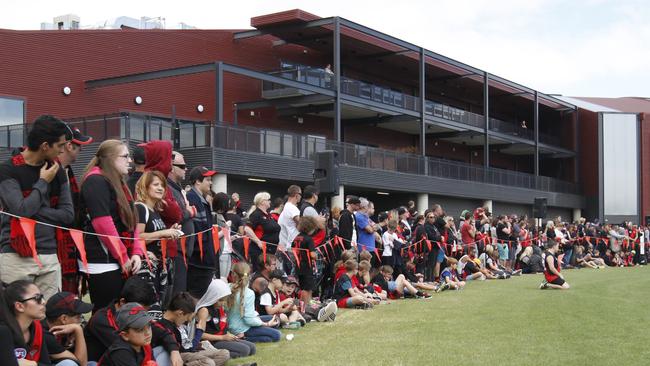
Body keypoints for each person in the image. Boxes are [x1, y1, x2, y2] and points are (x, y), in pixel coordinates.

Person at [0, 116, 74, 300]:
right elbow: (21, 210)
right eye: (60, 145)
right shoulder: (8, 169)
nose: (64, 149)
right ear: (45, 146)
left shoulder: (57, 169)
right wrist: (42, 182)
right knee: (14, 319)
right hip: (16, 255)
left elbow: (67, 215)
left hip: (49, 255)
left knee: (49, 319)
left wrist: (28, 210)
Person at [80, 140, 144, 312]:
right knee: (106, 314)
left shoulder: (119, 183)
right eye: (125, 156)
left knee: (121, 315)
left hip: (120, 259)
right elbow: (102, 224)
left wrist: (136, 252)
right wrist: (123, 256)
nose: (129, 160)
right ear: (109, 159)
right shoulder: (95, 180)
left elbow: (132, 221)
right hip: (103, 260)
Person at [84, 276, 181, 365]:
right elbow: (126, 347)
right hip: (100, 362)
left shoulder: (138, 319)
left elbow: (162, 332)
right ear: (123, 302)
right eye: (140, 308)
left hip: (133, 355)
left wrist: (174, 350)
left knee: (165, 351)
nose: (143, 312)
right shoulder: (100, 320)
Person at [134, 171, 183, 311]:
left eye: (162, 185)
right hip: (147, 271)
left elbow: (154, 235)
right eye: (156, 184)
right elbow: (137, 238)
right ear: (145, 187)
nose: (161, 188)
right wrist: (163, 232)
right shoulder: (140, 208)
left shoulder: (154, 210)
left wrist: (169, 232)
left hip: (159, 269)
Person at [56, 124, 93, 295]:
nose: (81, 151)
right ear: (69, 146)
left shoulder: (67, 172)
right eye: (79, 147)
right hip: (53, 246)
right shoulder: (50, 170)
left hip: (70, 244)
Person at [156, 292, 230, 366]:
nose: (188, 320)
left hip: (190, 352)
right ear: (180, 313)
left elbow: (191, 347)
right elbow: (188, 349)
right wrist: (199, 332)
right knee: (208, 363)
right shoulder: (163, 326)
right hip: (181, 354)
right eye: (187, 317)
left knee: (224, 353)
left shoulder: (178, 321)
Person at [197, 279, 257, 359]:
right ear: (213, 297)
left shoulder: (219, 308)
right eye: (220, 300)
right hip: (213, 341)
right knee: (245, 350)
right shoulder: (204, 310)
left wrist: (230, 335)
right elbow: (200, 335)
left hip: (223, 337)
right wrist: (222, 337)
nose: (223, 303)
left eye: (224, 300)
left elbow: (223, 325)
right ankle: (213, 355)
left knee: (252, 348)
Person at [226, 262, 281, 343]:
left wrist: (258, 319)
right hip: (242, 328)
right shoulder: (249, 293)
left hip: (231, 324)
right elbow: (249, 319)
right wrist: (266, 324)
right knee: (276, 335)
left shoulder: (227, 287)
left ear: (232, 275)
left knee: (273, 319)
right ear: (249, 275)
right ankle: (242, 337)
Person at [186, 166, 218, 298]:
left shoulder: (201, 199)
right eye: (208, 179)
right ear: (198, 181)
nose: (210, 183)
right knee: (196, 298)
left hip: (203, 260)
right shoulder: (192, 198)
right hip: (198, 262)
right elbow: (199, 232)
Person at [4, 280, 53, 365]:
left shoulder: (37, 328)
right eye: (37, 298)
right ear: (19, 306)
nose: (44, 302)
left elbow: (46, 363)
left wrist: (32, 364)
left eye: (42, 297)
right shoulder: (3, 332)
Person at [167, 152, 195, 295]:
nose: (186, 169)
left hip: (183, 250)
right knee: (176, 297)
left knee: (181, 295)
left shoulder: (176, 188)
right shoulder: (168, 188)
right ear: (171, 167)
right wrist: (189, 212)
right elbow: (174, 215)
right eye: (182, 166)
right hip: (175, 249)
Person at [43, 292, 93, 366]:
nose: (81, 321)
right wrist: (78, 330)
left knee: (93, 364)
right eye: (78, 317)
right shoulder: (47, 335)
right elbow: (81, 364)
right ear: (64, 318)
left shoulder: (60, 329)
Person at [245, 192, 281, 271]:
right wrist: (258, 242)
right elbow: (247, 229)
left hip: (270, 250)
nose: (270, 201)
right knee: (261, 273)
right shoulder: (256, 214)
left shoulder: (269, 215)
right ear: (262, 202)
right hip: (259, 251)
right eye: (268, 200)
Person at [292, 216, 319, 304]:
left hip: (298, 266)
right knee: (307, 288)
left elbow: (292, 248)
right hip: (307, 266)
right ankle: (306, 306)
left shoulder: (296, 237)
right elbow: (312, 254)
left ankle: (304, 305)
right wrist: (317, 256)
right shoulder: (309, 239)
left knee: (302, 287)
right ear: (310, 227)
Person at [278, 185, 302, 269]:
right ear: (296, 195)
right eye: (300, 194)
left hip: (286, 247)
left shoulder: (287, 207)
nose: (301, 197)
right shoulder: (291, 208)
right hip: (290, 248)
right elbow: (302, 223)